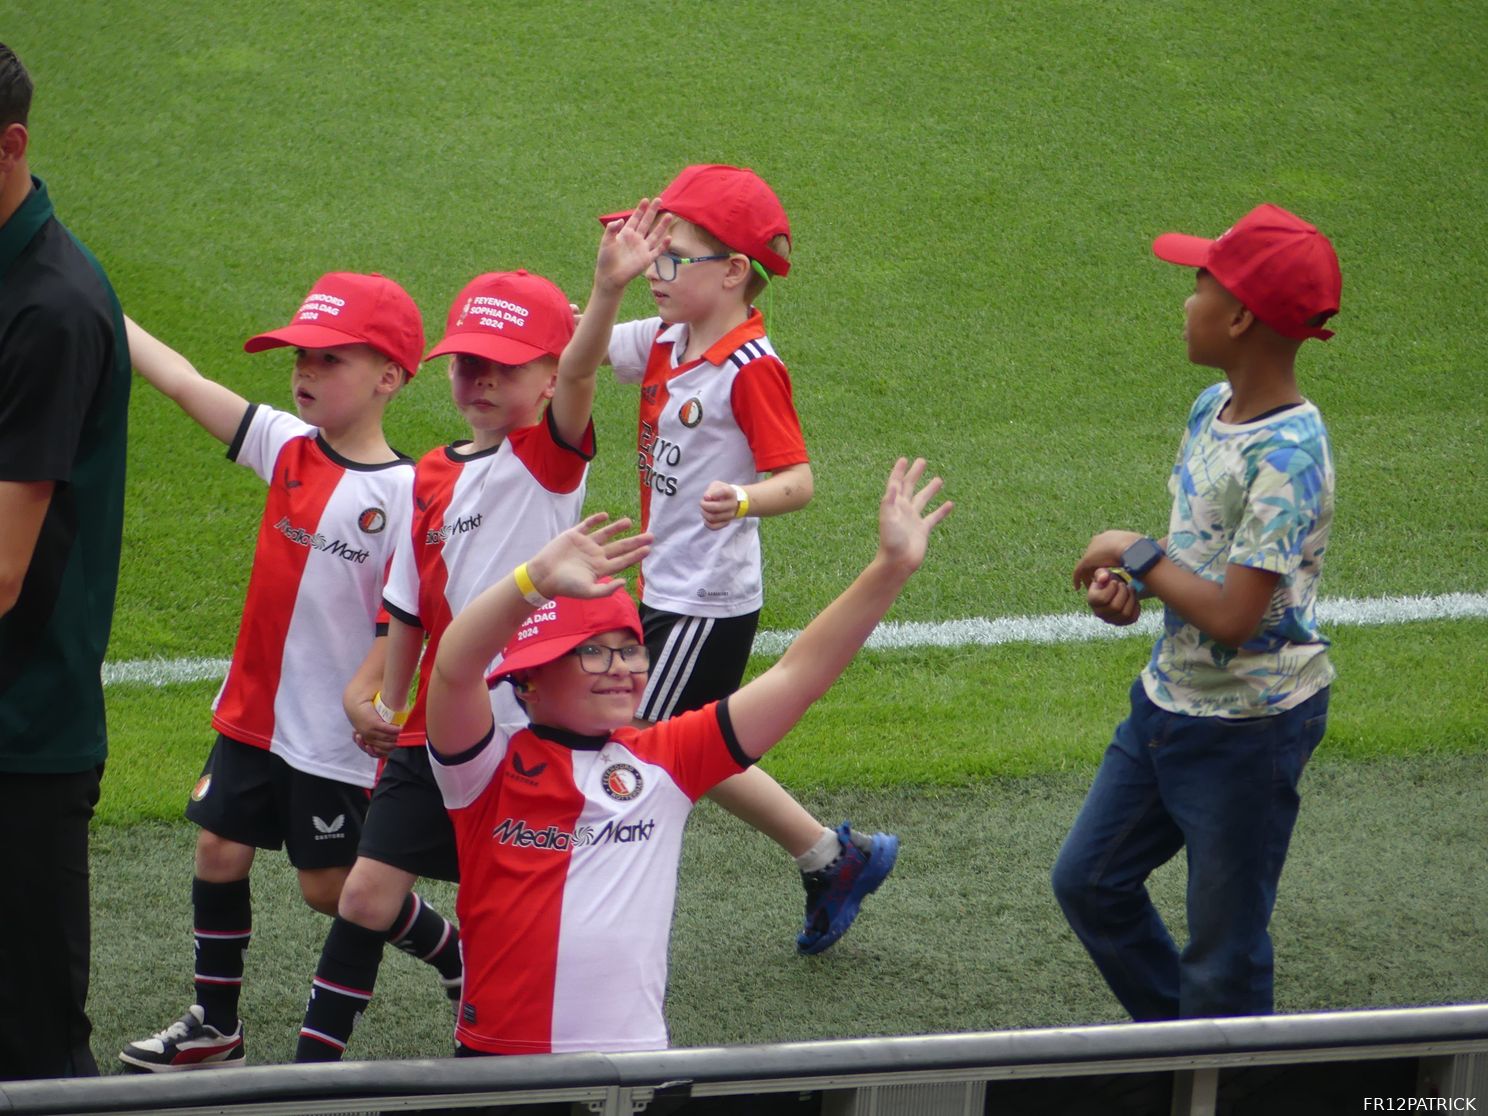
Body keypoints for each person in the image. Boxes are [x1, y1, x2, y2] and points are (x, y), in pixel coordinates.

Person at [294, 203, 671, 1061]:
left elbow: (580, 380)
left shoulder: (547, 458)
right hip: (438, 733)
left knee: (511, 913)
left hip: (526, 740)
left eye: (505, 367)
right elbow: (413, 603)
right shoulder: (429, 473)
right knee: (362, 897)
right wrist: (377, 694)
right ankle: (307, 1075)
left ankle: (508, 1044)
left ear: (544, 380)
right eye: (466, 364)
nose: (480, 382)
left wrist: (605, 292)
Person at [428, 457, 950, 1054]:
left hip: (633, 1065)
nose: (621, 668)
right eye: (591, 653)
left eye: (630, 651)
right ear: (528, 682)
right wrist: (532, 581)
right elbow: (454, 667)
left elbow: (798, 676)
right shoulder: (481, 767)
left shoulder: (668, 758)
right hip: (497, 1060)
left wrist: (891, 568)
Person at [117, 273, 460, 1071]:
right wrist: (100, 301)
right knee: (218, 854)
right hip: (253, 714)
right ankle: (215, 1025)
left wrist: (373, 698)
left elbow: (404, 617)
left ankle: (454, 951)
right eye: (299, 356)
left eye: (329, 359)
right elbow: (183, 381)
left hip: (335, 739)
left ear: (390, 377)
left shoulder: (410, 494)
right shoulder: (285, 445)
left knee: (329, 888)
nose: (304, 371)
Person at [1051, 204, 1341, 1021]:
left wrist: (1133, 548)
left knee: (1225, 947)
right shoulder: (1209, 406)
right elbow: (1204, 561)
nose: (1186, 300)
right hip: (1166, 704)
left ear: (1241, 316)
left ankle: (1222, 1075)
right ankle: (1187, 1051)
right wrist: (1136, 591)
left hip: (1249, 732)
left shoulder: (1288, 456)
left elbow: (1238, 617)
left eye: (1200, 285)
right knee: (1089, 880)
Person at [601, 164, 898, 955]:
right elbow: (586, 342)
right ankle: (834, 860)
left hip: (704, 602)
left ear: (733, 271)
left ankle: (614, 917)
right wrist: (590, 293)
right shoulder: (667, 334)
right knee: (700, 744)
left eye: (670, 257)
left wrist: (743, 499)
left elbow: (798, 480)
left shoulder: (748, 368)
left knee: (629, 753)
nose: (652, 273)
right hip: (662, 588)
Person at [0, 42, 130, 1081]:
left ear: (12, 148)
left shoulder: (49, 309)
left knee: (37, 1054)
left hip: (21, 741)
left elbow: (3, 572)